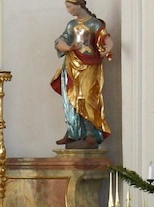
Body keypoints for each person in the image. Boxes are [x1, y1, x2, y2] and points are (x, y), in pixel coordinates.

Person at [51, 0, 112, 149]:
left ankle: (91, 133)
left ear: (79, 4)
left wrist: (108, 48)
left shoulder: (94, 24)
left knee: (87, 96)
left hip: (89, 65)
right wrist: (68, 46)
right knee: (71, 98)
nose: (68, 10)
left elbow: (105, 39)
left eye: (70, 6)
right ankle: (74, 132)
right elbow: (60, 41)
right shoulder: (71, 25)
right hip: (72, 64)